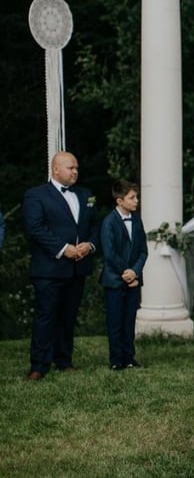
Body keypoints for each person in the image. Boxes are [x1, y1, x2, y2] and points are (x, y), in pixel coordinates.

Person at [22, 151, 100, 380]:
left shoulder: (87, 195)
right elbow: (35, 228)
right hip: (49, 268)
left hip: (77, 268)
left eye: (76, 168)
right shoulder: (36, 195)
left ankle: (63, 360)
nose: (75, 171)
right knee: (46, 317)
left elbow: (96, 226)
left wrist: (90, 245)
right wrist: (63, 249)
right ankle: (39, 366)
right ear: (55, 169)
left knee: (68, 317)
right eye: (70, 168)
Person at [99, 179, 148, 370]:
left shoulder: (137, 220)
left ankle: (129, 358)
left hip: (133, 280)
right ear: (120, 201)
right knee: (115, 321)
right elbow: (110, 253)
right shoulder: (109, 222)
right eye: (132, 197)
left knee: (129, 321)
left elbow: (143, 251)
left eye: (136, 197)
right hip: (114, 280)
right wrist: (126, 273)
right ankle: (116, 360)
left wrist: (135, 272)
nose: (136, 201)